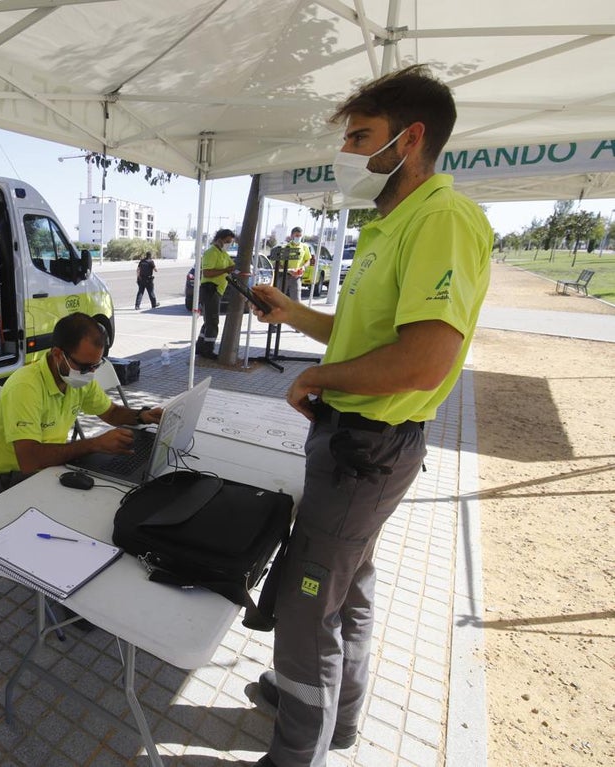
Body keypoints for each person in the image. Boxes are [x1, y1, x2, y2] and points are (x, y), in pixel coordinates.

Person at [244, 64, 492, 767]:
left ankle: (297, 749)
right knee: (346, 586)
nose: (347, 153)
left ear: (410, 139)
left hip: (367, 449)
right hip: (354, 444)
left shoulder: (440, 219)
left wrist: (317, 377)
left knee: (305, 601)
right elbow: (367, 337)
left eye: (361, 136)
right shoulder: (391, 222)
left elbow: (422, 360)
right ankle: (335, 715)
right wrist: (295, 316)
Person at [0, 312, 162, 496]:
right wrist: (95, 444)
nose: (90, 373)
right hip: (13, 481)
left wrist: (141, 415)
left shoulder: (77, 377)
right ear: (58, 354)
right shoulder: (25, 387)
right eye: (85, 366)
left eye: (96, 365)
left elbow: (111, 412)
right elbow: (29, 460)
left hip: (50, 468)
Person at [195, 228, 237, 360]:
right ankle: (208, 350)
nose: (228, 244)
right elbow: (207, 273)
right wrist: (225, 270)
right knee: (213, 322)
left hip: (217, 290)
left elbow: (232, 266)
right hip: (210, 289)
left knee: (208, 321)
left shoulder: (223, 253)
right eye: (227, 241)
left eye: (230, 242)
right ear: (219, 240)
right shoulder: (211, 252)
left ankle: (200, 347)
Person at [274, 227, 313, 302]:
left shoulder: (304, 247)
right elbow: (279, 263)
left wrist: (303, 267)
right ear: (292, 236)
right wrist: (288, 271)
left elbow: (308, 260)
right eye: (296, 235)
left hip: (296, 277)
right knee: (279, 299)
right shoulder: (285, 247)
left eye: (300, 236)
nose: (298, 237)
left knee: (296, 301)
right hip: (284, 276)